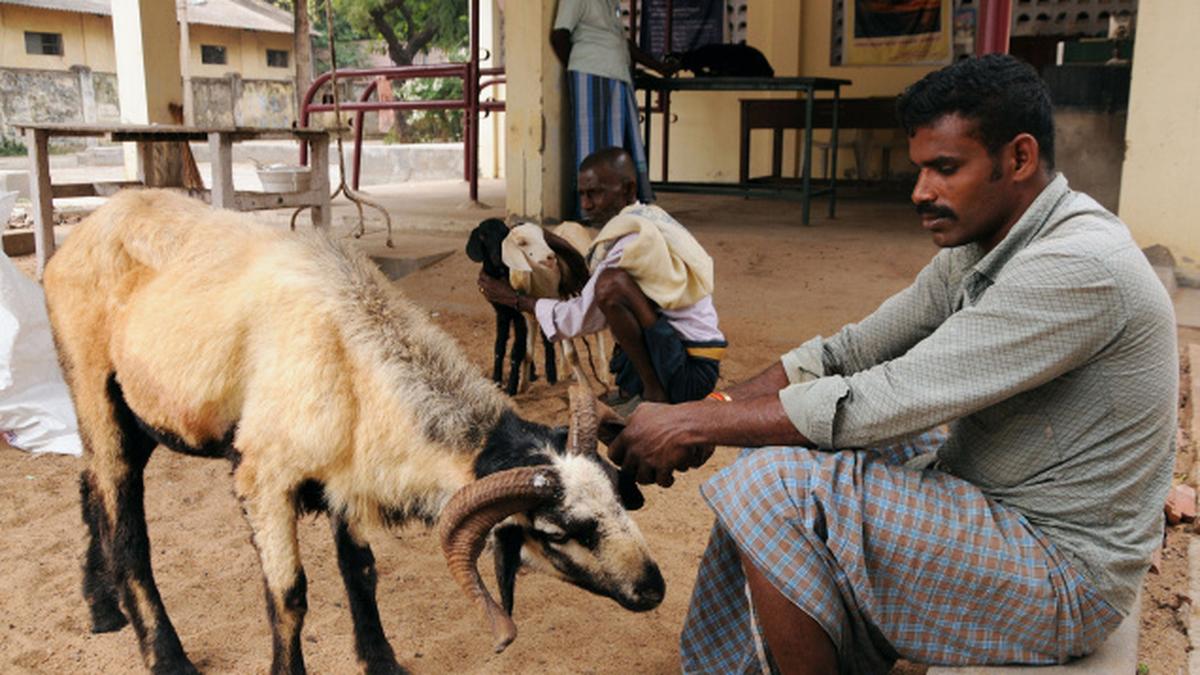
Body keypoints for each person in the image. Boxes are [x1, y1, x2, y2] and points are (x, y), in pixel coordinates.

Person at [607, 54, 1178, 673]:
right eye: (920, 168)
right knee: (778, 447)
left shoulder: (1075, 265)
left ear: (1019, 158)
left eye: (945, 168)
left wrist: (692, 425)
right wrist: (712, 409)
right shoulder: (993, 239)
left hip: (1065, 575)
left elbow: (885, 398)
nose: (920, 191)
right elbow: (847, 353)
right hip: (997, 498)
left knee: (772, 488)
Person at [479, 147, 727, 410]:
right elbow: (592, 285)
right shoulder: (647, 219)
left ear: (629, 190)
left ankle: (654, 393)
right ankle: (642, 387)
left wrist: (513, 299)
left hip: (689, 372)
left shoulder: (631, 242)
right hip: (691, 355)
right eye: (582, 195)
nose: (585, 204)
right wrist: (552, 241)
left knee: (611, 285)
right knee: (609, 283)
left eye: (595, 193)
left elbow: (582, 315)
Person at [550, 0, 675, 218]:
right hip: (590, 73)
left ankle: (618, 206)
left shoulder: (610, 3)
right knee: (592, 144)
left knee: (619, 145)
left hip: (617, 74)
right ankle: (590, 210)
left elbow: (623, 43)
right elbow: (559, 35)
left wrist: (659, 67)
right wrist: (582, 65)